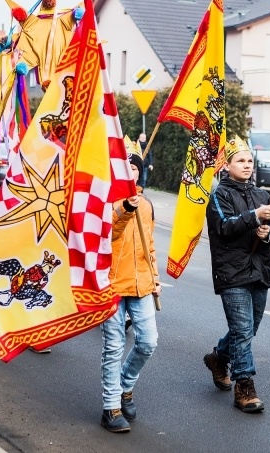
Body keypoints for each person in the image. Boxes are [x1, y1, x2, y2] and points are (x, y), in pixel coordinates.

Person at [203, 138, 270, 413]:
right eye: (240, 160)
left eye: (250, 161)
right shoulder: (219, 195)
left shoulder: (263, 195)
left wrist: (268, 233)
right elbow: (224, 226)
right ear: (227, 166)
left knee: (249, 330)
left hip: (259, 270)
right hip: (232, 272)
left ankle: (218, 358)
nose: (247, 165)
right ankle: (244, 387)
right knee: (242, 330)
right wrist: (254, 216)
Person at [100, 138, 161, 433]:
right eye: (125, 167)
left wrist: (156, 279)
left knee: (148, 342)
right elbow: (108, 235)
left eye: (135, 167)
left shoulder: (146, 205)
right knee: (113, 346)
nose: (131, 172)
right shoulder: (104, 202)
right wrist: (124, 208)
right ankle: (110, 407)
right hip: (111, 284)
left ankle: (125, 386)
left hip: (142, 284)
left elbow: (149, 246)